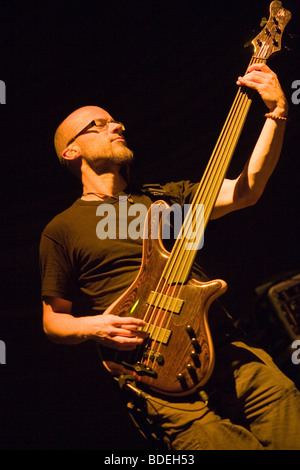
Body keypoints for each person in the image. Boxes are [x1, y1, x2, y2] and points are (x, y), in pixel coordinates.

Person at [40, 63, 300, 450]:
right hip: (155, 373)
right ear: (71, 150)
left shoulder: (164, 198)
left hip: (225, 348)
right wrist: (93, 327)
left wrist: (277, 113)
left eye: (116, 121)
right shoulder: (62, 229)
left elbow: (246, 191)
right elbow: (53, 320)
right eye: (99, 124)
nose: (116, 126)